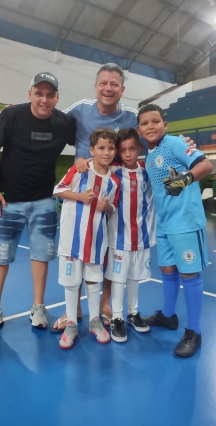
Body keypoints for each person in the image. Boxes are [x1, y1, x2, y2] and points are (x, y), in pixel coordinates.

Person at [52, 62, 194, 331]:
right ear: (96, 86)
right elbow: (52, 119)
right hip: (84, 194)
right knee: (77, 250)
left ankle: (106, 305)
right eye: (103, 83)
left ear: (122, 89)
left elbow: (155, 133)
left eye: (114, 84)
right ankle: (74, 312)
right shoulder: (80, 110)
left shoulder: (132, 116)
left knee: (105, 253)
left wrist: (180, 142)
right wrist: (21, 114)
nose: (108, 88)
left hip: (115, 193)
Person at [0, 72, 76, 336]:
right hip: (9, 200)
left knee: (41, 255)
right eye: (39, 93)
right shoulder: (11, 116)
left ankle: (38, 307)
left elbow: (93, 141)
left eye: (49, 94)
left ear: (57, 97)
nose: (44, 99)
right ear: (30, 93)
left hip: (44, 201)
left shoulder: (65, 123)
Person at [137, 104, 213, 358]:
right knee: (167, 271)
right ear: (139, 129)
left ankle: (194, 332)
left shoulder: (176, 144)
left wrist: (182, 181)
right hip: (165, 224)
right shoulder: (149, 156)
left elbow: (205, 165)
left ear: (165, 125)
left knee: (189, 275)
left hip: (186, 223)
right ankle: (169, 317)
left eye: (155, 121)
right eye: (145, 123)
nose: (150, 126)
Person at [54, 127, 121, 349]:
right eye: (101, 148)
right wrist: (81, 197)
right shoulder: (80, 169)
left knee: (93, 281)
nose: (106, 152)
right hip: (71, 240)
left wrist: (106, 206)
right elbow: (58, 190)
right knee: (72, 282)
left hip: (96, 241)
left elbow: (112, 209)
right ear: (92, 150)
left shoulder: (114, 182)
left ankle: (94, 321)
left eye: (111, 148)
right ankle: (72, 323)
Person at [105, 128, 156, 343]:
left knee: (134, 277)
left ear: (140, 149)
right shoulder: (112, 171)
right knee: (118, 278)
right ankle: (116, 317)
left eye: (132, 149)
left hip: (142, 237)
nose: (127, 154)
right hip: (118, 238)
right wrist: (81, 160)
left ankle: (133, 313)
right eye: (123, 150)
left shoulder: (148, 170)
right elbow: (92, 163)